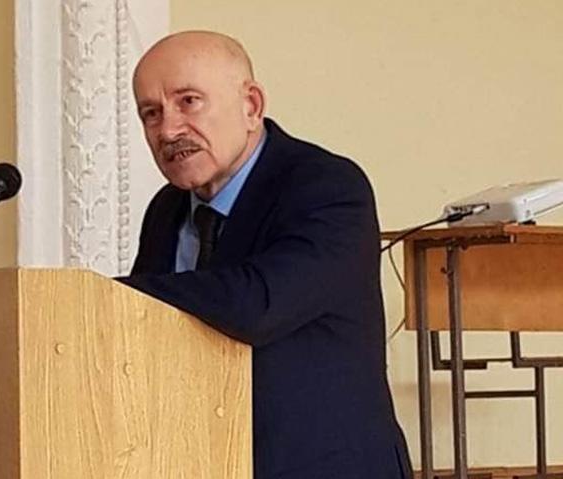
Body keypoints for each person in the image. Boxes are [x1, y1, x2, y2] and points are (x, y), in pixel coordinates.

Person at [119, 30, 413, 479]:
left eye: (189, 102)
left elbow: (257, 305)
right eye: (151, 113)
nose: (168, 130)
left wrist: (100, 294)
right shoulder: (166, 209)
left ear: (251, 106)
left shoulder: (327, 186)